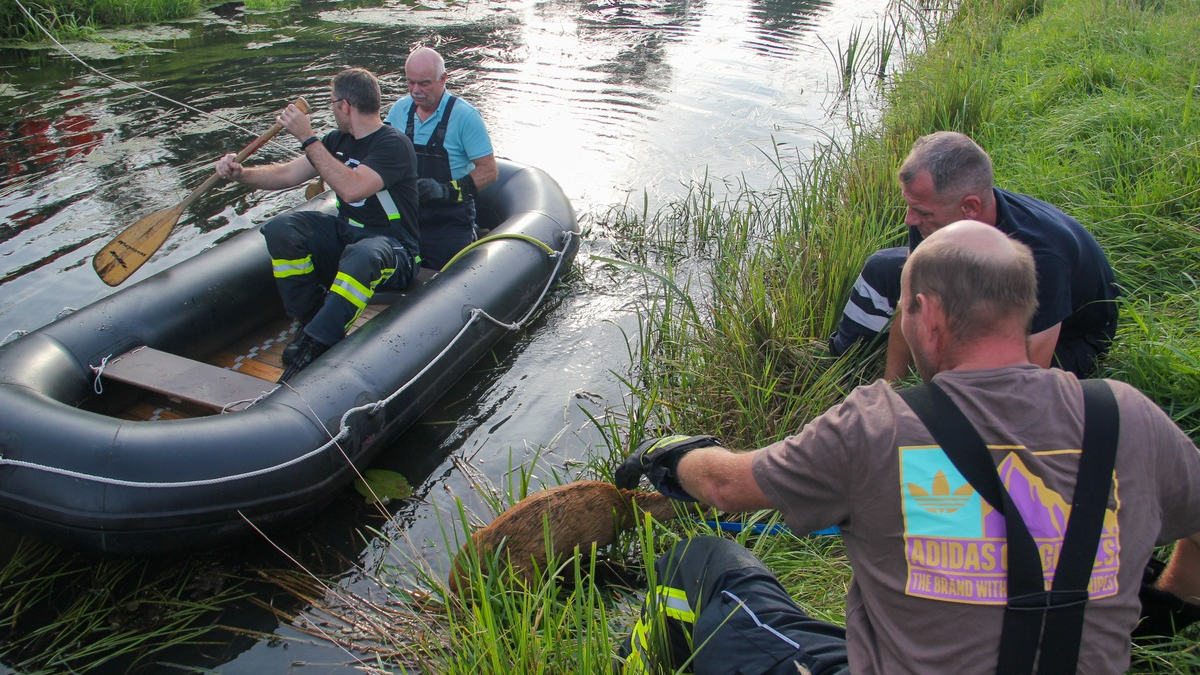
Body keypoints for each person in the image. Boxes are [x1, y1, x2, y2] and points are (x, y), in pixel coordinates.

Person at [614, 221, 1200, 675]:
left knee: (702, 564)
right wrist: (1168, 603)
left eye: (903, 308)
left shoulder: (878, 425)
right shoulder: (1126, 415)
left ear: (929, 315)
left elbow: (724, 486)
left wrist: (670, 453)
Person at [828, 131, 1119, 380]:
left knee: (982, 386)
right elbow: (910, 304)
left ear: (969, 207)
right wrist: (891, 393)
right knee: (882, 268)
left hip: (1072, 336)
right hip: (983, 282)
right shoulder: (934, 217)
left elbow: (1027, 373)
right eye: (909, 205)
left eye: (921, 211)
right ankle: (842, 360)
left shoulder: (1041, 255)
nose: (909, 220)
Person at [215, 68, 420, 382]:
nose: (331, 109)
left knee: (363, 255)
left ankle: (318, 342)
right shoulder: (336, 140)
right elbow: (286, 174)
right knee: (282, 229)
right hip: (348, 235)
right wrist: (241, 174)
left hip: (394, 248)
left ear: (345, 106)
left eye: (332, 102)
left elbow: (353, 188)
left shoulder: (393, 144)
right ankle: (309, 316)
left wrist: (306, 137)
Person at [385, 46, 498, 271]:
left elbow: (489, 171)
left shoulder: (465, 116)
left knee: (448, 272)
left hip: (449, 217)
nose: (415, 90)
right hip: (408, 214)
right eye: (410, 83)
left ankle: (473, 232)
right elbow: (382, 155)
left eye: (424, 83)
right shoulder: (399, 110)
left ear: (443, 79)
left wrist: (445, 190)